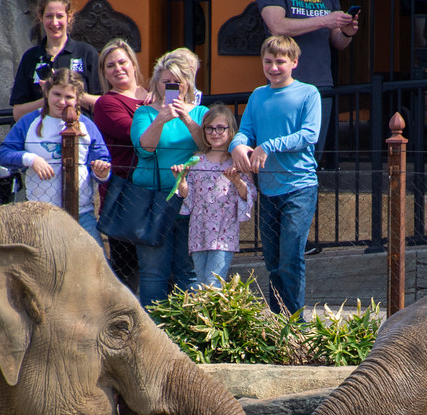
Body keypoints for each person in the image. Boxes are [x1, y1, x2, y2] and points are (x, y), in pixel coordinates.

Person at [230, 35, 321, 315]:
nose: (273, 67)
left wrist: (269, 145)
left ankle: (295, 325)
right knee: (272, 261)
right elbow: (246, 131)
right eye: (268, 61)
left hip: (299, 186)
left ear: (294, 62)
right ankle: (278, 321)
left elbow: (309, 134)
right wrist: (237, 145)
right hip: (268, 190)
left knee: (290, 259)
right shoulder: (258, 95)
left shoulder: (309, 93)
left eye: (280, 62)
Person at [0, 68, 111, 243]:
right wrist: (31, 159)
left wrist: (101, 172)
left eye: (69, 97)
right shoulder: (29, 122)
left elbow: (102, 159)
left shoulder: (87, 125)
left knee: (95, 266)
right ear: (46, 92)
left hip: (82, 213)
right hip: (39, 213)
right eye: (57, 94)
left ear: (78, 99)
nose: (62, 101)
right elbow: (4, 154)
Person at [129, 53, 207, 306]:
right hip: (152, 198)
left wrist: (187, 118)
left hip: (190, 199)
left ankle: (189, 331)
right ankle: (154, 332)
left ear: (187, 83)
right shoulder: (145, 114)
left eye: (177, 81)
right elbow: (144, 150)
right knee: (154, 272)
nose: (171, 87)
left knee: (188, 271)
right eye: (165, 82)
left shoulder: (201, 112)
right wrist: (161, 119)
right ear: (156, 84)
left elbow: (207, 147)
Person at [257, 0, 357, 159]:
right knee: (281, 148)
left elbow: (338, 42)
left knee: (313, 152)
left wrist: (346, 32)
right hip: (285, 86)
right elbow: (277, 26)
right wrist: (325, 20)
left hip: (321, 83)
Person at [171, 104, 256, 288]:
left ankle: (211, 317)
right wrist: (182, 182)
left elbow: (249, 195)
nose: (214, 132)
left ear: (230, 130)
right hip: (198, 234)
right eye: (209, 128)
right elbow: (188, 197)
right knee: (201, 283)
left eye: (220, 128)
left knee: (212, 285)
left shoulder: (237, 162)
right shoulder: (196, 160)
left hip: (223, 235)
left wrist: (237, 181)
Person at [92, 38, 148, 291]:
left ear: (133, 64)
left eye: (122, 62)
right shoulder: (107, 104)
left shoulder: (154, 97)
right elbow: (135, 134)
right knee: (127, 271)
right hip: (125, 194)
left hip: (159, 189)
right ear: (104, 73)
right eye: (110, 65)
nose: (118, 68)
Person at [10, 0, 100, 121]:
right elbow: (18, 114)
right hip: (40, 134)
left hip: (78, 132)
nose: (54, 22)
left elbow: (103, 105)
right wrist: (48, 97)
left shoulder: (86, 53)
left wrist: (70, 93)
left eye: (60, 16)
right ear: (40, 17)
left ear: (70, 16)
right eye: (49, 16)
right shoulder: (31, 57)